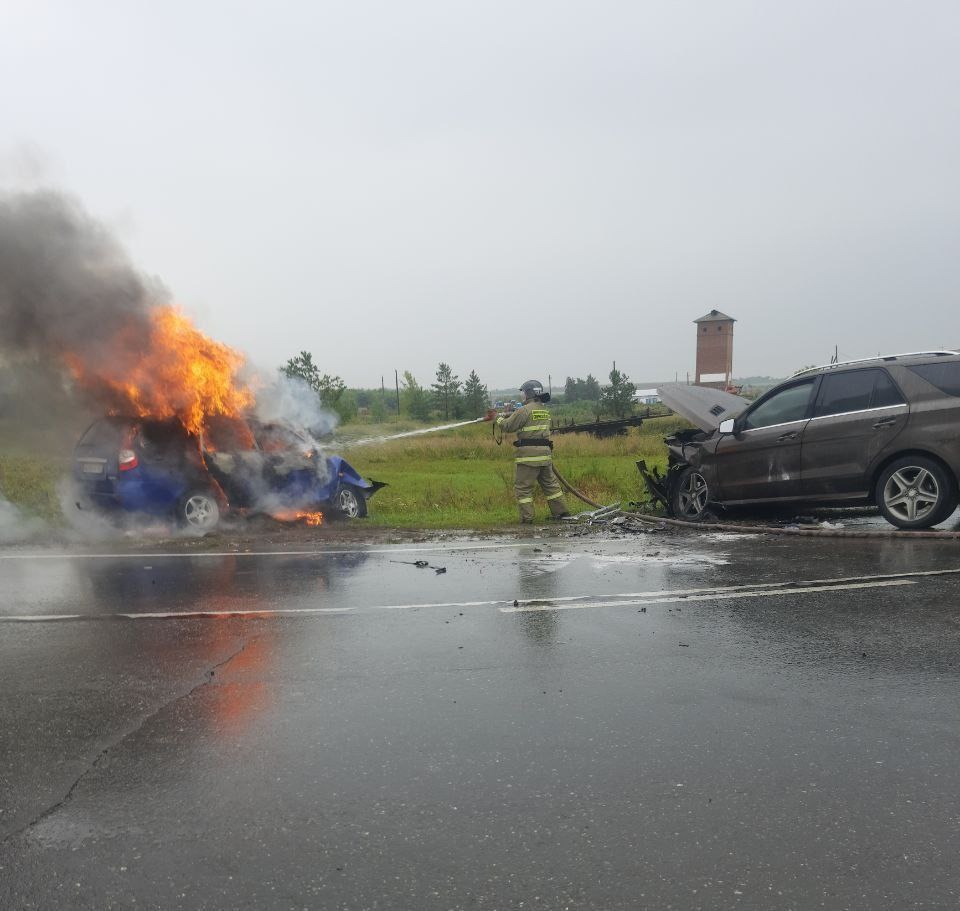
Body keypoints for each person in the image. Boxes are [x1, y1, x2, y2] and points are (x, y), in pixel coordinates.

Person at [496, 379, 570, 524]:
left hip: (528, 457)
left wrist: (496, 419)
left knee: (523, 489)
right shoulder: (543, 410)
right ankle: (561, 513)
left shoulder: (524, 410)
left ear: (529, 393)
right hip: (545, 455)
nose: (522, 396)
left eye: (523, 393)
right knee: (551, 486)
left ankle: (527, 518)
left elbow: (507, 426)